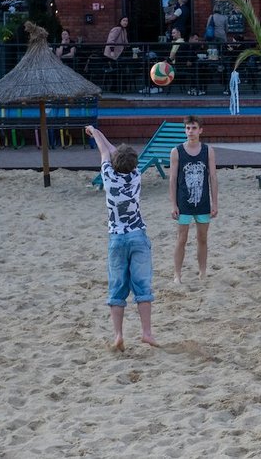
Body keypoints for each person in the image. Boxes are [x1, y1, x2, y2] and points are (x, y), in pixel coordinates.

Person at [84, 125, 157, 350]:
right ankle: (146, 332)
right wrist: (99, 133)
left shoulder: (108, 178)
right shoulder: (136, 176)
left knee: (116, 288)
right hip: (137, 236)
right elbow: (115, 152)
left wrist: (94, 132)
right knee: (143, 286)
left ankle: (118, 335)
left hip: (117, 238)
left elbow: (105, 152)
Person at [169, 115, 218, 284]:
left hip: (203, 202)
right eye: (188, 128)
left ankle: (202, 272)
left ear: (200, 130)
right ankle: (177, 274)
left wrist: (215, 202)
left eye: (194, 128)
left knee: (202, 238)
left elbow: (213, 177)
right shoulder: (176, 151)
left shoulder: (208, 151)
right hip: (183, 202)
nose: (191, 131)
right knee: (181, 238)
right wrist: (173, 204)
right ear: (185, 130)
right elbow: (173, 179)